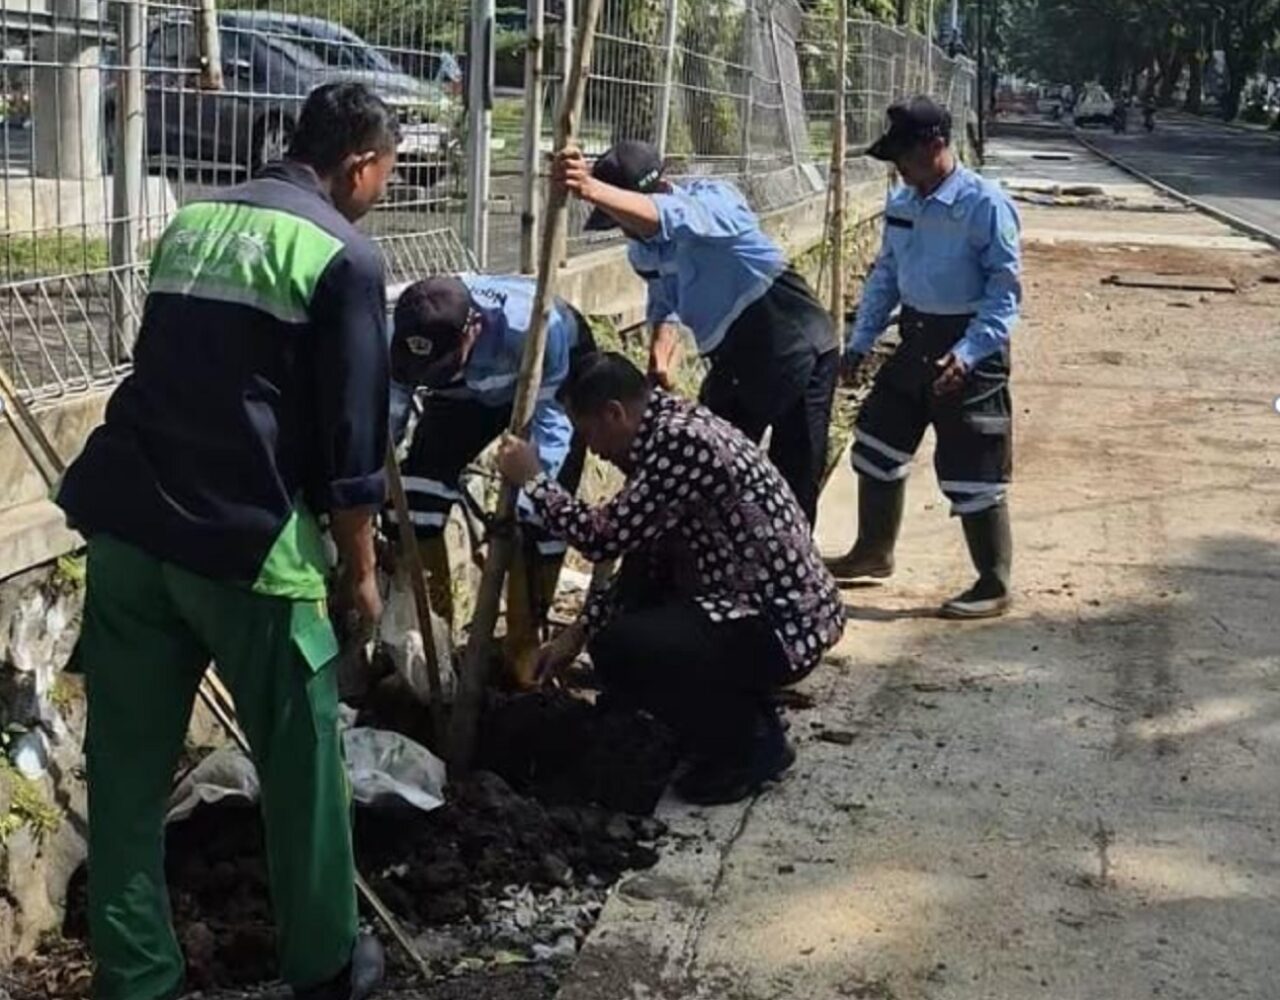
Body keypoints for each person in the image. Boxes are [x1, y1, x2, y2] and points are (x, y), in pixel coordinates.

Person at [56, 82, 397, 1000]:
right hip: (250, 551)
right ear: (360, 164)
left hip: (130, 529)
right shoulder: (344, 255)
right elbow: (353, 444)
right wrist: (361, 573)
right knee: (302, 770)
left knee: (125, 777)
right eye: (388, 175)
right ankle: (327, 966)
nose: (384, 192)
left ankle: (136, 977)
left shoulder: (192, 224)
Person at [495, 353, 846, 805]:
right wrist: (577, 632)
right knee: (630, 613)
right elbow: (639, 559)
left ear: (614, 413)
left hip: (782, 626)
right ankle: (726, 719)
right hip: (759, 612)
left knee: (622, 647)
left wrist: (534, 480)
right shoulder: (669, 427)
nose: (594, 450)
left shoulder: (681, 443)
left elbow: (604, 538)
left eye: (589, 434)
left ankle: (752, 746)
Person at [553, 140, 838, 525]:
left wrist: (590, 189)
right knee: (705, 462)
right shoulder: (643, 251)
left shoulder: (714, 201)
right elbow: (664, 300)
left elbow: (674, 216)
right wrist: (661, 349)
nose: (623, 229)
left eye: (620, 215)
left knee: (793, 478)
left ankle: (789, 556)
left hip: (792, 338)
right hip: (733, 359)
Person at [826, 96, 1021, 619]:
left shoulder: (984, 205)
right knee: (877, 441)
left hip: (971, 346)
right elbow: (886, 274)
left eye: (905, 157)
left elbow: (1005, 295)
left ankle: (993, 581)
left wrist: (969, 352)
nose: (899, 169)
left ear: (935, 145)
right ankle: (873, 550)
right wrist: (861, 340)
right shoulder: (903, 203)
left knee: (974, 467)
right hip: (914, 337)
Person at [386, 273, 595, 678]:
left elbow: (552, 430)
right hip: (464, 393)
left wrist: (527, 498)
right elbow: (390, 415)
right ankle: (435, 645)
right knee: (413, 499)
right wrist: (376, 476)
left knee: (542, 518)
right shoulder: (398, 332)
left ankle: (524, 649)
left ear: (473, 329)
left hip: (547, 377)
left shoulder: (535, 329)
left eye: (440, 364)